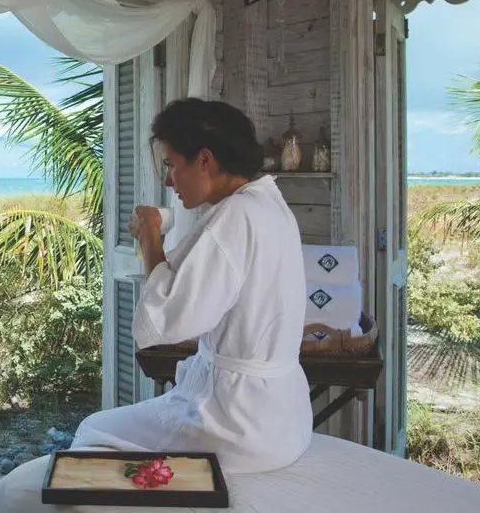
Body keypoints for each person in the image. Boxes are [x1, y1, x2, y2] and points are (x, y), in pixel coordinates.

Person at [70, 97, 313, 474]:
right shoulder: (270, 205)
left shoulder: (235, 216)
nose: (168, 180)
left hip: (239, 423)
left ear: (204, 160)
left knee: (94, 430)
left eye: (171, 164)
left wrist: (149, 238)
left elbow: (166, 317)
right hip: (283, 417)